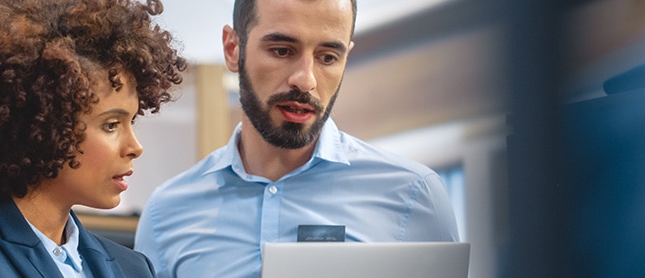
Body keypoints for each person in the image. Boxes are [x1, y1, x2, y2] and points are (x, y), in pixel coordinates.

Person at [133, 0, 460, 277]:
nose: (305, 80)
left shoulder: (414, 196)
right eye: (281, 50)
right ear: (233, 49)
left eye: (328, 57)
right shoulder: (167, 213)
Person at [0, 0, 186, 277]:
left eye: (131, 122)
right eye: (111, 125)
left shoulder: (132, 267)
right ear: (42, 125)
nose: (135, 147)